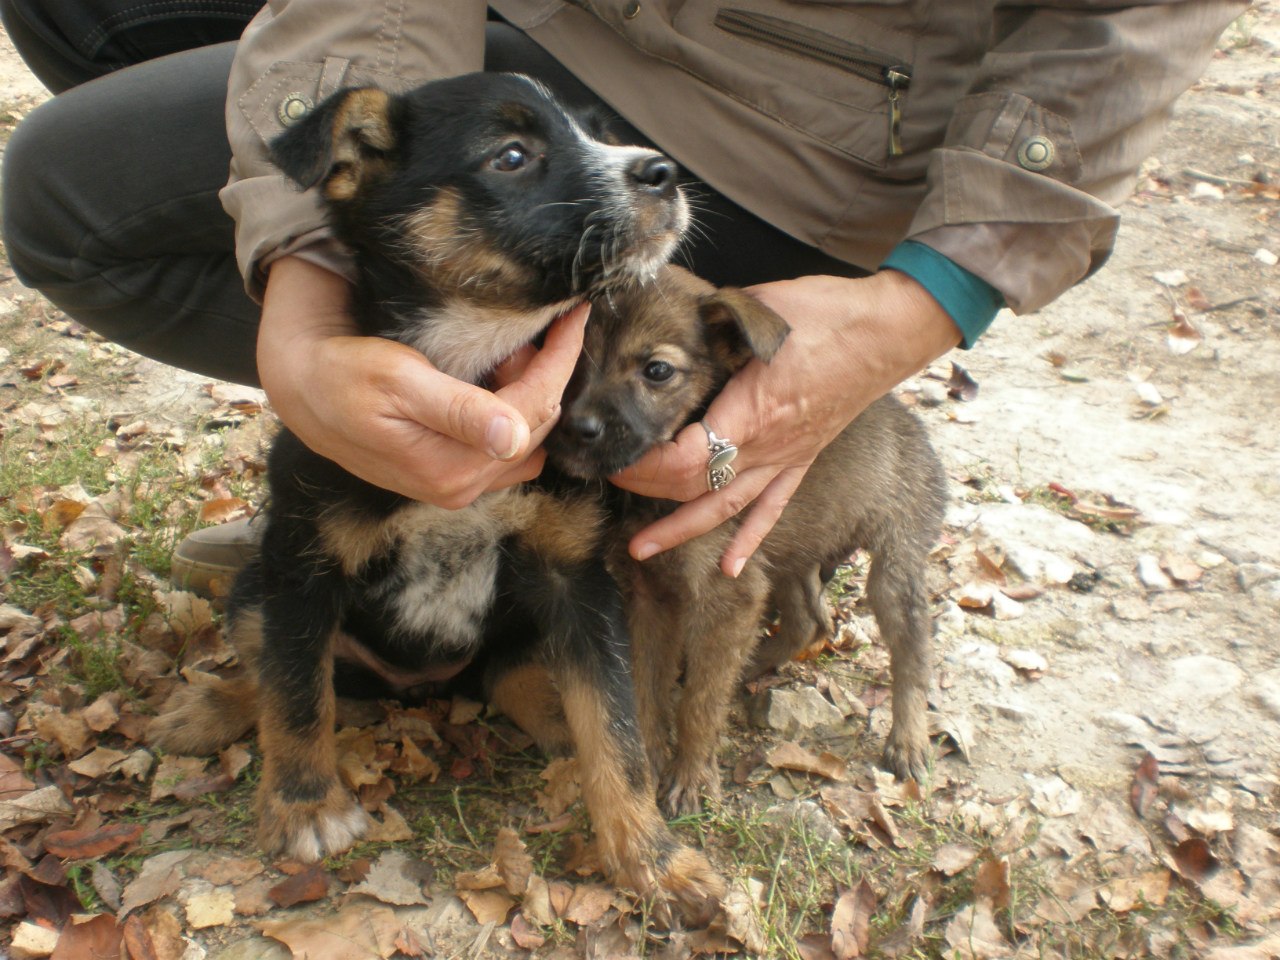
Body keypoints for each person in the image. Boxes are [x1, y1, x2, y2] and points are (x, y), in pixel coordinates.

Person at [1, 1, 1245, 591]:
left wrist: (917, 305)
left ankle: (560, 508)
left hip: (797, 134)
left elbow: (1131, 23)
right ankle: (413, 474)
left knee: (75, 190)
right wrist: (308, 278)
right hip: (540, 32)